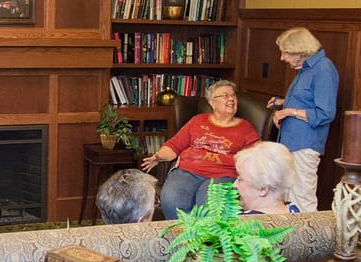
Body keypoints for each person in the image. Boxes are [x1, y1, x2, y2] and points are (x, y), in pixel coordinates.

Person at [140, 80, 261, 220]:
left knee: (208, 207)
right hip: (188, 171)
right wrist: (158, 156)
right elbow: (175, 145)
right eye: (225, 95)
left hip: (223, 175)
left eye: (233, 95)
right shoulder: (198, 121)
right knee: (172, 200)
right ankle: (179, 238)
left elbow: (256, 155)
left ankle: (202, 241)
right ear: (212, 102)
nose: (231, 99)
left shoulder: (245, 128)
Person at [267, 27, 339, 212]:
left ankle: (309, 240)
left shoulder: (323, 69)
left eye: (286, 52)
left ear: (300, 51)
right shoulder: (305, 68)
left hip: (305, 144)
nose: (282, 58)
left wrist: (290, 111)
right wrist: (282, 102)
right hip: (291, 142)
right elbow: (308, 99)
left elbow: (325, 113)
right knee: (289, 198)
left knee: (302, 198)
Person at [234, 142, 301, 215]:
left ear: (263, 189)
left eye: (240, 180)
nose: (234, 185)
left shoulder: (240, 222)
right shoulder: (294, 210)